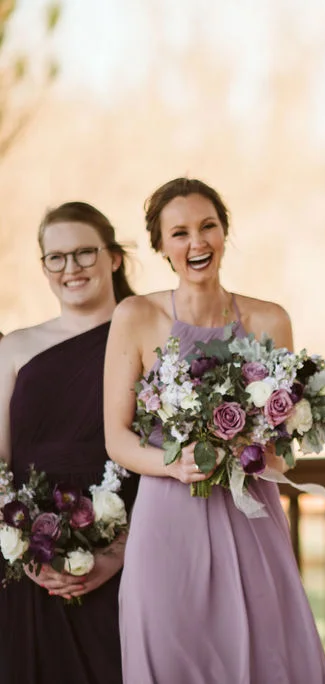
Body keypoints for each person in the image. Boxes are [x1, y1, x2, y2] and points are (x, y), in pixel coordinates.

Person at [103, 178, 325, 683]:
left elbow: (284, 448)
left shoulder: (271, 319)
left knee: (266, 652)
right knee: (170, 654)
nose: (197, 242)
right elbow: (116, 438)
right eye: (180, 233)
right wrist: (175, 464)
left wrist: (255, 447)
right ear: (161, 245)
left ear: (224, 232)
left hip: (251, 514)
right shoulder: (136, 316)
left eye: (208, 226)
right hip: (167, 521)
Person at [0, 202, 138, 684]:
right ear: (44, 267)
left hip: (124, 553)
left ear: (113, 257)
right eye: (55, 258)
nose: (70, 268)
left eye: (84, 253)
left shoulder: (146, 340)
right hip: (29, 564)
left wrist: (115, 556)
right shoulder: (14, 348)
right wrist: (22, 547)